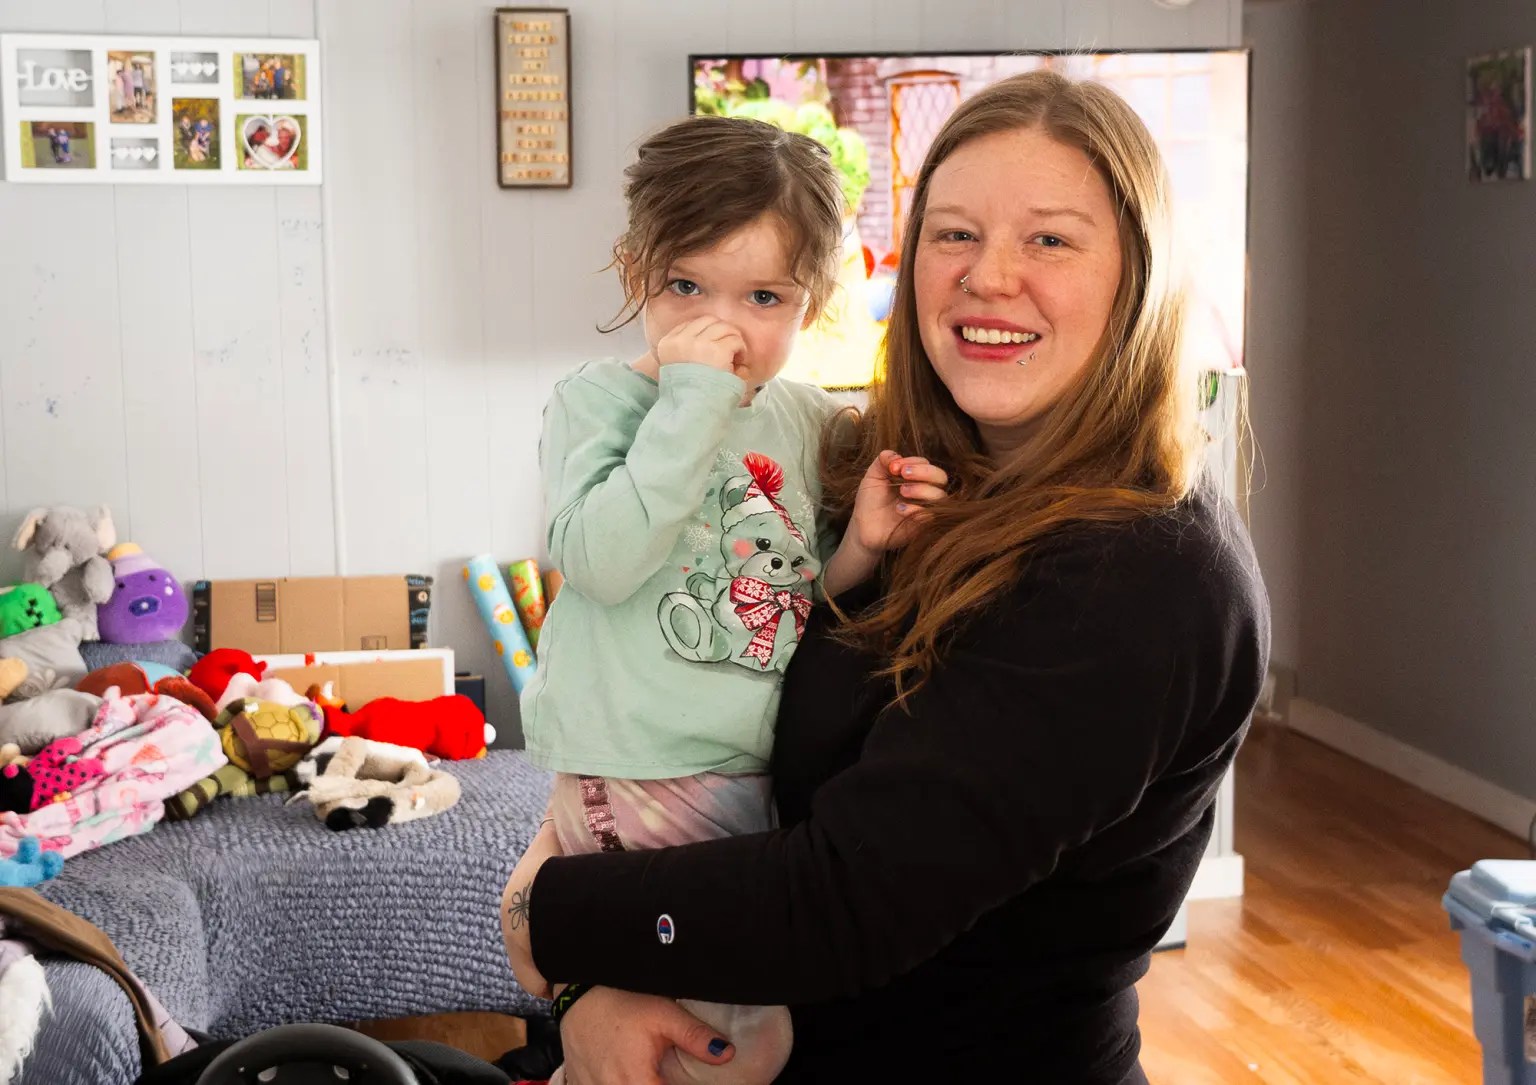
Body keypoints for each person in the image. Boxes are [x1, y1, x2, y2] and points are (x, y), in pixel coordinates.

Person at [503, 69, 1270, 1084]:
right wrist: (601, 987)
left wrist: (545, 914)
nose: (989, 276)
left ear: (1139, 273)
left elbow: (840, 903)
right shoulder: (925, 475)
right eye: (953, 234)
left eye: (1049, 238)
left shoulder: (1141, 578)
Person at [504, 114, 949, 1085]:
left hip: (749, 772)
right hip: (637, 761)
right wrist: (692, 401)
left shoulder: (804, 417)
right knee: (718, 1038)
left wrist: (861, 545)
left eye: (762, 295)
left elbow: (786, 599)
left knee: (740, 1026)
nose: (722, 325)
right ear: (635, 273)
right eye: (686, 287)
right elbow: (602, 560)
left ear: (812, 300)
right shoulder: (598, 402)